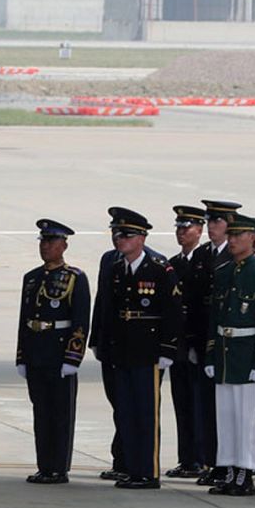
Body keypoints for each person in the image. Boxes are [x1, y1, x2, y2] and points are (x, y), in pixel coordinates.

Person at [91, 208, 182, 490]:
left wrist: (167, 350)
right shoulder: (117, 268)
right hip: (123, 351)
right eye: (117, 234)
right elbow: (108, 309)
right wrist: (103, 343)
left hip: (148, 351)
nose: (120, 239)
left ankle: (148, 471)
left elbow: (173, 311)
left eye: (127, 235)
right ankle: (131, 467)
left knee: (145, 412)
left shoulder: (159, 268)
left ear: (142, 238)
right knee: (126, 411)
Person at [204, 217, 255, 497]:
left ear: (252, 238)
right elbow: (215, 318)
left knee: (246, 418)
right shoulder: (224, 272)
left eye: (238, 235)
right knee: (226, 417)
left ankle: (245, 473)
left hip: (247, 354)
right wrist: (211, 355)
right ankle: (229, 470)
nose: (232, 240)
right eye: (230, 235)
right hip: (225, 354)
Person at [15, 219, 89, 484]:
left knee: (60, 414)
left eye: (51, 241)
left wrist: (73, 357)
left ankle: (58, 467)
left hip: (59, 354)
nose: (46, 246)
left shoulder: (74, 278)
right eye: (43, 241)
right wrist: (21, 356)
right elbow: (24, 320)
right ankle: (44, 465)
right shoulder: (32, 278)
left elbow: (80, 321)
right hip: (37, 352)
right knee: (41, 413)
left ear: (64, 245)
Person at [166, 205, 216, 480]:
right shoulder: (175, 262)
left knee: (199, 405)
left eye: (187, 227)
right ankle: (187, 458)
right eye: (179, 227)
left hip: (197, 344)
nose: (181, 232)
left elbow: (202, 308)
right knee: (181, 402)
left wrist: (200, 345)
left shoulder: (207, 259)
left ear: (200, 230)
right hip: (180, 345)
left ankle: (201, 458)